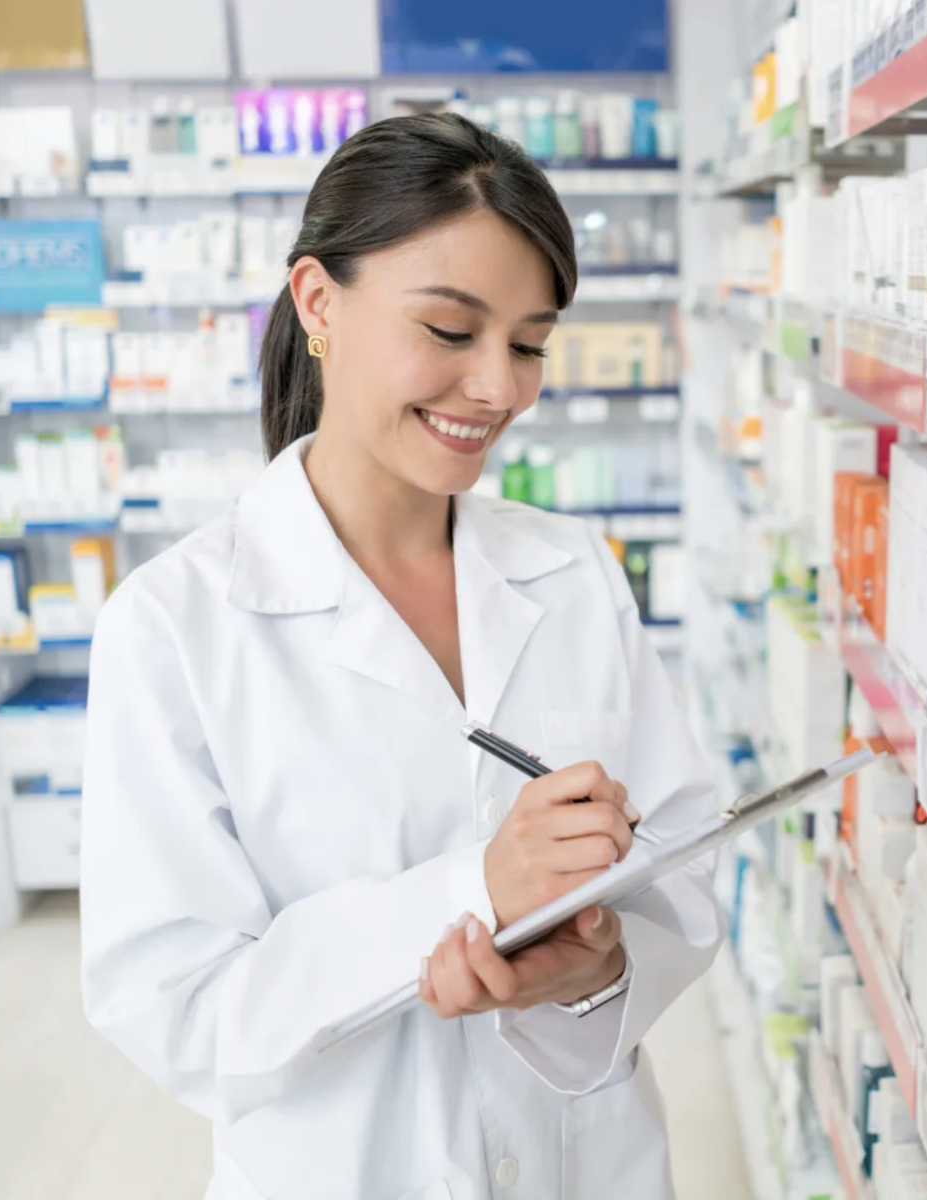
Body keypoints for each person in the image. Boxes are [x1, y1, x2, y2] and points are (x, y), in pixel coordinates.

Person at [79, 114, 722, 1200]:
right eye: (449, 329)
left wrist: (594, 969)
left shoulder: (573, 572)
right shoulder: (174, 626)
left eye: (529, 344)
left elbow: (681, 875)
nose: (498, 388)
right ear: (318, 302)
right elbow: (178, 1010)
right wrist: (472, 891)